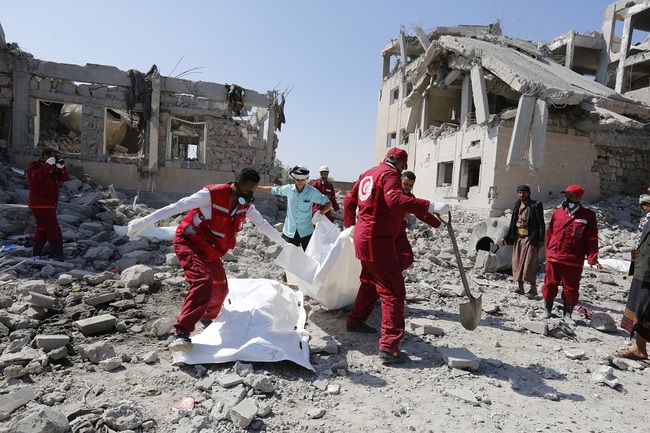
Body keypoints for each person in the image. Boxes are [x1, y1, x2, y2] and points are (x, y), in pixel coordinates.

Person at [126, 167, 286, 352]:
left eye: (252, 190)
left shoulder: (245, 205)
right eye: (246, 189)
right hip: (189, 242)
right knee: (202, 281)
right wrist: (145, 221)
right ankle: (181, 333)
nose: (249, 194)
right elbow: (178, 206)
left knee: (220, 287)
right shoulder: (211, 195)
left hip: (210, 250)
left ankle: (207, 316)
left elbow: (262, 224)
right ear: (236, 184)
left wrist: (283, 243)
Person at [343, 148, 449, 364]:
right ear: (402, 164)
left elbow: (348, 201)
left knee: (370, 281)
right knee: (393, 291)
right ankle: (389, 347)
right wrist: (431, 204)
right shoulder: (390, 175)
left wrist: (350, 228)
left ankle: (355, 320)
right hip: (378, 239)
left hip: (368, 238)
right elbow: (395, 201)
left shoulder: (369, 173)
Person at [542, 184, 601, 325]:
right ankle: (547, 310)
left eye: (571, 196)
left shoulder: (587, 216)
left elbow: (591, 238)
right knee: (549, 284)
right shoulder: (557, 213)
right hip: (554, 256)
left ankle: (567, 315)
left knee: (571, 288)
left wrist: (592, 258)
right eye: (566, 196)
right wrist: (548, 251)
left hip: (572, 259)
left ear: (579, 198)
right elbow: (550, 233)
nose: (567, 198)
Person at [258, 165, 331, 251]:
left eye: (302, 180)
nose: (300, 182)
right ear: (294, 179)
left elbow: (328, 202)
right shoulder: (288, 189)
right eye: (298, 180)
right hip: (289, 232)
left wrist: (322, 212)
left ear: (306, 179)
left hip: (306, 231)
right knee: (287, 258)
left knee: (309, 258)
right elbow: (273, 189)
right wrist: (257, 187)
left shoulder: (312, 192)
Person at [615, 194, 650, 361]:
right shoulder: (646, 220)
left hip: (648, 273)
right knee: (640, 310)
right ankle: (639, 348)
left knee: (645, 310)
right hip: (643, 270)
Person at [498, 185, 545, 299]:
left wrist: (541, 239)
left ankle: (533, 289)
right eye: (519, 192)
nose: (521, 195)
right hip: (519, 238)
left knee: (529, 263)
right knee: (517, 262)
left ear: (528, 193)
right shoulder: (517, 205)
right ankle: (520, 287)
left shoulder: (535, 205)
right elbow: (513, 223)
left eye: (524, 192)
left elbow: (541, 224)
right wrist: (505, 236)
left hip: (530, 238)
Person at [27, 147, 69, 261]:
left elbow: (65, 178)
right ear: (45, 156)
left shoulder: (52, 168)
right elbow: (36, 177)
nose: (55, 159)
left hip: (50, 203)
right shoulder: (34, 165)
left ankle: (36, 254)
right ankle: (58, 255)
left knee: (42, 228)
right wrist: (48, 164)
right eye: (53, 157)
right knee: (53, 228)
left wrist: (61, 168)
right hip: (40, 203)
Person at [396, 170, 442, 270]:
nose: (408, 187)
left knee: (407, 258)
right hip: (388, 232)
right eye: (405, 184)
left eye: (411, 185)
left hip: (400, 233)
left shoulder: (410, 198)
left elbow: (421, 213)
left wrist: (438, 224)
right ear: (400, 181)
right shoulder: (393, 195)